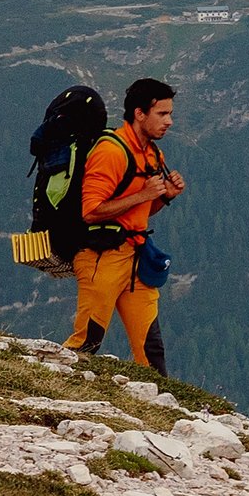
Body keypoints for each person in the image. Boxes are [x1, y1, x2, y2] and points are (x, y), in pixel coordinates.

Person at [66, 78, 185, 371]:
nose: (169, 121)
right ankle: (52, 392)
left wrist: (163, 197)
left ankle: (164, 410)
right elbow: (91, 212)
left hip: (136, 255)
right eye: (163, 114)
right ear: (139, 113)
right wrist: (145, 193)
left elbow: (139, 211)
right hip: (101, 258)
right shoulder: (111, 152)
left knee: (151, 347)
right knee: (86, 342)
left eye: (170, 114)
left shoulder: (153, 154)